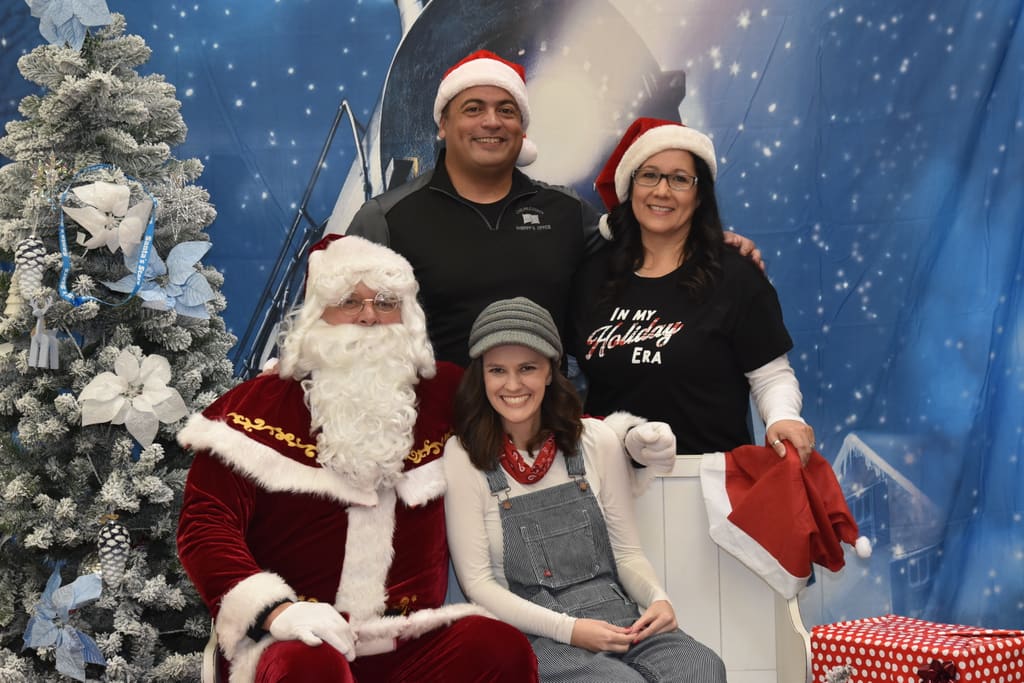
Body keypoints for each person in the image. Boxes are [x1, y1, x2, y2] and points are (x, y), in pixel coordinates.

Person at [176, 235, 538, 683]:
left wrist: (614, 436)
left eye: (385, 302)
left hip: (409, 638)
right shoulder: (254, 409)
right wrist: (276, 610)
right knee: (311, 668)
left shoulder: (445, 394)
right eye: (349, 301)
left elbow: (533, 421)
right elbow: (205, 526)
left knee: (497, 649)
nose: (369, 316)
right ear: (317, 314)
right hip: (295, 640)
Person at [342, 49, 761, 368]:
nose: (492, 121)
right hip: (432, 441)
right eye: (473, 108)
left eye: (506, 110)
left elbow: (646, 249)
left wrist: (707, 244)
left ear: (522, 128)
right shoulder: (385, 220)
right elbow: (337, 336)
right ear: (443, 124)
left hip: (544, 437)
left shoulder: (566, 213)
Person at [443, 297, 727, 682]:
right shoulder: (465, 455)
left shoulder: (595, 439)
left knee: (702, 668)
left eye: (527, 368)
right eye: (497, 370)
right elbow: (479, 586)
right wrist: (570, 630)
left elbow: (627, 553)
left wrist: (658, 598)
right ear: (482, 376)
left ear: (550, 370)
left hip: (619, 617)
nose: (512, 385)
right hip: (534, 634)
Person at [569, 117, 816, 463]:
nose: (662, 191)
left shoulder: (736, 275)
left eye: (680, 179)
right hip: (611, 477)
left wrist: (783, 417)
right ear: (630, 186)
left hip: (710, 476)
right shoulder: (591, 275)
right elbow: (562, 372)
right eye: (649, 175)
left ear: (700, 195)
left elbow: (770, 375)